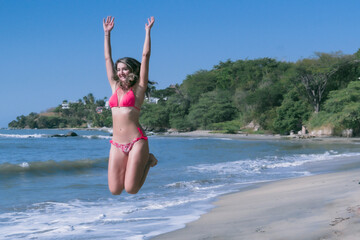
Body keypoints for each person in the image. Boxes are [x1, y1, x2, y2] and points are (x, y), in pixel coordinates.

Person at [103, 16, 157, 195]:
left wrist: (147, 32)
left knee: (131, 189)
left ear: (132, 70)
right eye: (118, 69)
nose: (120, 72)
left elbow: (145, 56)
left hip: (136, 141)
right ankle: (145, 161)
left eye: (124, 69)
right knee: (115, 190)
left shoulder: (139, 88)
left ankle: (148, 161)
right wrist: (107, 34)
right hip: (117, 143)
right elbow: (107, 58)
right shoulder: (114, 86)